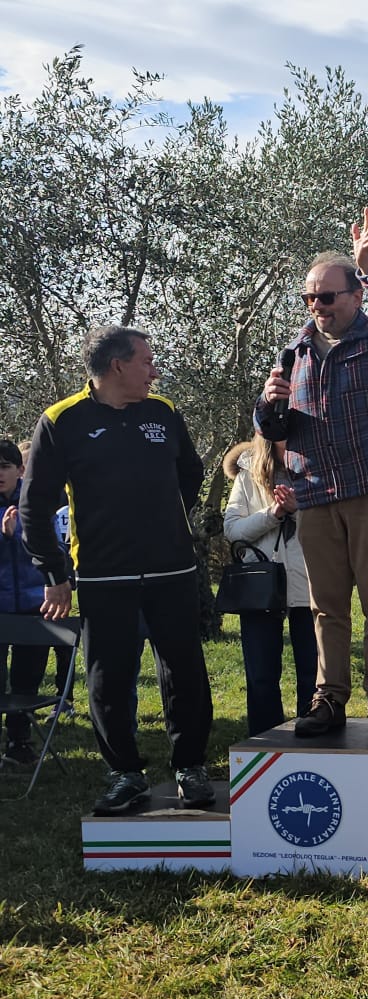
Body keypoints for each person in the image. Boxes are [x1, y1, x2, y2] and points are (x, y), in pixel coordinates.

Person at [19, 326, 215, 815]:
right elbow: (33, 507)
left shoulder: (163, 411)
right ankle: (126, 774)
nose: (155, 370)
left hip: (173, 568)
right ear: (117, 367)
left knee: (185, 669)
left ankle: (190, 766)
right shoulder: (60, 420)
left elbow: (191, 472)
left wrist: (167, 518)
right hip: (106, 574)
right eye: (146, 361)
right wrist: (55, 574)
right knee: (108, 676)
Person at [256, 207, 368, 739]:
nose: (317, 306)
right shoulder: (295, 352)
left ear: (355, 296)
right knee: (325, 608)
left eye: (327, 296)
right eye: (309, 298)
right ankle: (328, 700)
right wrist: (266, 405)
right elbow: (276, 427)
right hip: (315, 495)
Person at [223, 433, 317, 736]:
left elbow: (332, 526)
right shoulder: (249, 472)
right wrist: (274, 514)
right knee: (261, 674)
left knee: (313, 673)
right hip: (261, 585)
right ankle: (265, 743)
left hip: (312, 581)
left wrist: (298, 508)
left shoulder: (322, 466)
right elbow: (233, 531)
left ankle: (315, 738)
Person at [0, 439, 48, 768]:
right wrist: (3, 536)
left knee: (27, 681)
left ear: (20, 470)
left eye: (4, 467)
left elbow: (53, 549)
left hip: (35, 604)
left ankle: (19, 743)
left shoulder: (37, 502)